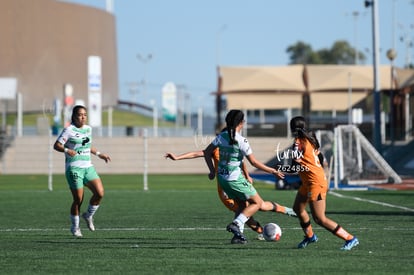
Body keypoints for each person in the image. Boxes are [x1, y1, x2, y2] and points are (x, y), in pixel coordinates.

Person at [203, 109, 291, 244]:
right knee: (257, 203)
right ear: (241, 123)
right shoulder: (241, 140)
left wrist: (211, 171)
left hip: (222, 180)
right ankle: (236, 224)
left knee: (242, 206)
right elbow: (254, 162)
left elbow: (207, 152)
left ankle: (238, 236)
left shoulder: (221, 137)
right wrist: (272, 171)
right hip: (235, 180)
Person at [289, 116, 359, 250]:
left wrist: (278, 170)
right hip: (309, 181)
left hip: (315, 182)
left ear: (292, 128)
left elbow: (294, 167)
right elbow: (320, 156)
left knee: (320, 219)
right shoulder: (309, 138)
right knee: (298, 208)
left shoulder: (298, 143)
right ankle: (310, 236)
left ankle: (350, 238)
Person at [165, 150, 267, 240]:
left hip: (239, 184)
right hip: (225, 189)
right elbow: (197, 153)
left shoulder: (234, 146)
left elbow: (242, 161)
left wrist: (247, 175)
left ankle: (247, 234)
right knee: (242, 211)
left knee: (245, 210)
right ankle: (259, 232)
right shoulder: (216, 147)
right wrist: (177, 157)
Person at [53, 105, 111, 237]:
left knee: (100, 193)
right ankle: (75, 227)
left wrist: (100, 154)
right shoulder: (69, 130)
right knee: (78, 199)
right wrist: (67, 150)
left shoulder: (88, 129)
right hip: (74, 168)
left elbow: (87, 145)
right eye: (80, 114)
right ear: (74, 116)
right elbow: (56, 145)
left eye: (85, 114)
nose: (83, 117)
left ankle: (88, 215)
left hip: (88, 167)